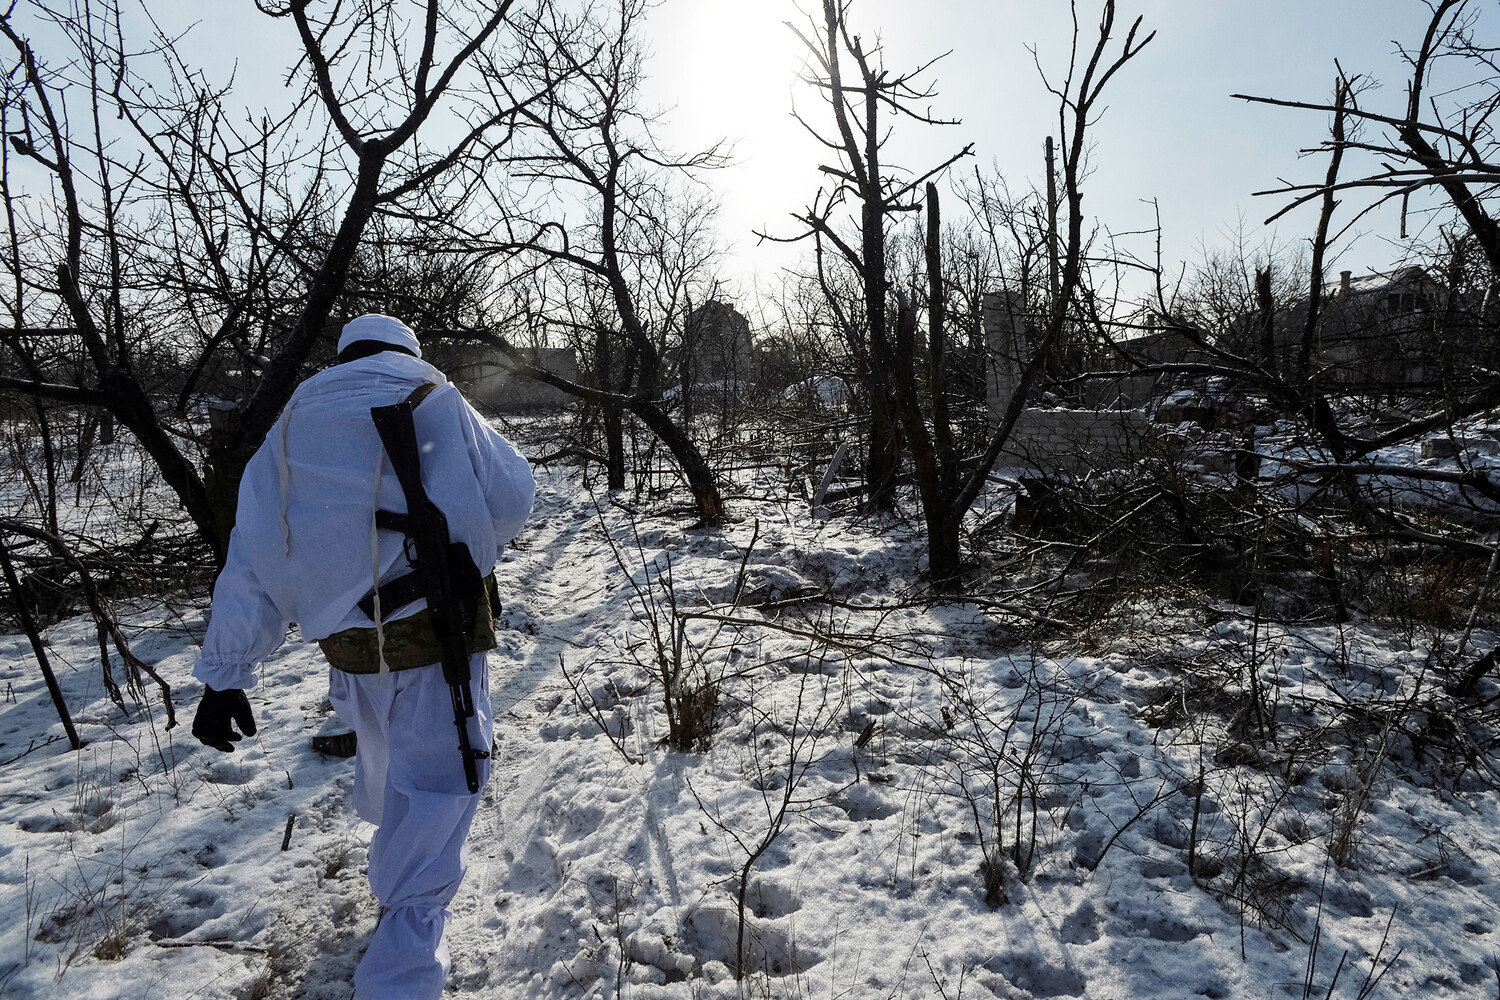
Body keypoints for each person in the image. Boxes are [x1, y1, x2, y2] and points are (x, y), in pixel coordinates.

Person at [190, 314, 535, 1000]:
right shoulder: (434, 396)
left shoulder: (288, 428)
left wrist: (225, 677)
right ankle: (402, 976)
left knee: (390, 772)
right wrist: (463, 545)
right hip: (437, 644)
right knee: (441, 787)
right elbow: (513, 497)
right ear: (407, 350)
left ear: (344, 355)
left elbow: (251, 562)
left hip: (349, 656)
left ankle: (393, 887)